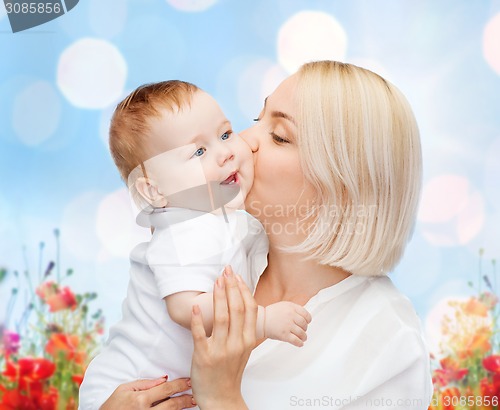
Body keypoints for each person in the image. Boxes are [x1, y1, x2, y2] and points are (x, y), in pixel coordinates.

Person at [102, 60, 433, 409]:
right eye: (257, 120)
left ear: (345, 185)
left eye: (279, 136)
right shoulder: (221, 243)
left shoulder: (388, 344)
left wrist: (222, 397)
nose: (244, 142)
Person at [78, 81, 311, 410]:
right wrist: (263, 321)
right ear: (154, 192)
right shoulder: (185, 229)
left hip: (171, 389)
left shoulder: (222, 217)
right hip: (127, 387)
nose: (226, 152)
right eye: (198, 152)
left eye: (226, 134)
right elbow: (188, 309)